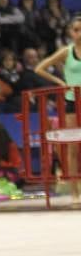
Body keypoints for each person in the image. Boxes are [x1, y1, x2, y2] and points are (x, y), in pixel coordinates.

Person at [35, 15, 81, 203]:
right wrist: (61, 82)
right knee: (72, 148)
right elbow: (40, 68)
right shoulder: (66, 51)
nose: (79, 33)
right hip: (72, 101)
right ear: (70, 32)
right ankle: (74, 193)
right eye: (76, 30)